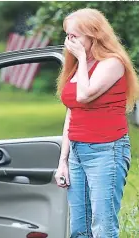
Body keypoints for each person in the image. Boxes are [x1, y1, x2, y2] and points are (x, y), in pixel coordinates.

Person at [54, 8, 139, 238]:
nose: (69, 42)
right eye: (67, 36)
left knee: (102, 228)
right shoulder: (76, 67)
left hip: (106, 151)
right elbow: (72, 112)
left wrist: (81, 58)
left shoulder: (113, 63)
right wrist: (63, 161)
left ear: (93, 35)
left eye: (75, 36)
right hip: (77, 152)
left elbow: (84, 95)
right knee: (79, 229)